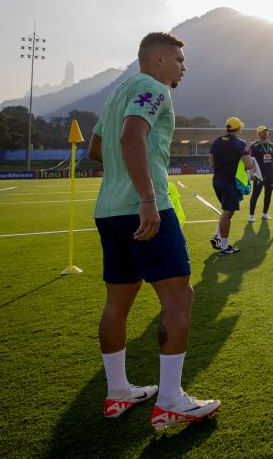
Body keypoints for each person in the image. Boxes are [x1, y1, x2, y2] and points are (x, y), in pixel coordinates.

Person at [87, 31, 220, 430]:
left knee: (117, 302)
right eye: (179, 60)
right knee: (179, 299)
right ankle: (170, 400)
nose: (184, 66)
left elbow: (97, 148)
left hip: (108, 210)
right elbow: (131, 136)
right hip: (145, 208)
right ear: (159, 59)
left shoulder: (118, 92)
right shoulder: (152, 87)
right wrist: (146, 196)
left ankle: (118, 393)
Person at [209, 117, 253, 254]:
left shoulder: (216, 142)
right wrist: (243, 170)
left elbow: (211, 163)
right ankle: (224, 247)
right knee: (228, 213)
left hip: (217, 180)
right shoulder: (240, 143)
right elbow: (249, 164)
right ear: (239, 129)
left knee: (227, 211)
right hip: (230, 182)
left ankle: (217, 236)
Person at [248, 126, 273, 222]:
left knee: (268, 194)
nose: (265, 133)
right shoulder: (254, 146)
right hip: (259, 174)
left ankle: (264, 214)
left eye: (266, 132)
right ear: (258, 134)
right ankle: (251, 215)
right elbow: (251, 161)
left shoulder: (271, 145)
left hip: (270, 174)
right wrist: (251, 173)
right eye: (263, 132)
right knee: (255, 194)